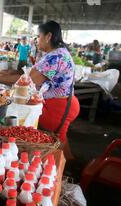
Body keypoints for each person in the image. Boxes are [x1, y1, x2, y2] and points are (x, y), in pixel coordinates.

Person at [29, 21, 80, 153]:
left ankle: (61, 168)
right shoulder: (59, 53)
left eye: (38, 36)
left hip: (59, 106)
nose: (37, 40)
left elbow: (31, 79)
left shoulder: (56, 56)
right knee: (60, 137)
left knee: (57, 142)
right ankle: (67, 164)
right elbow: (46, 75)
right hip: (66, 103)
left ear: (48, 36)